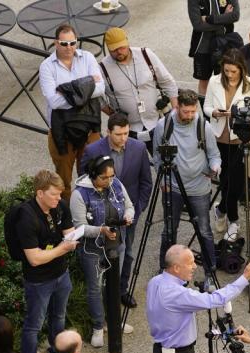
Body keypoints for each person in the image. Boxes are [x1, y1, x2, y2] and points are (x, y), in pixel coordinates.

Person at [81, 112, 153, 308]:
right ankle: (103, 293)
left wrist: (137, 210)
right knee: (100, 253)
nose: (124, 139)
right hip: (101, 215)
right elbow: (84, 184)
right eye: (119, 134)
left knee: (127, 252)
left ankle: (121, 290)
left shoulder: (138, 148)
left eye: (126, 133)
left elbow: (146, 182)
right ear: (108, 132)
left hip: (128, 216)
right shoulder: (92, 150)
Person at [14, 170, 79, 353]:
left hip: (61, 274)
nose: (59, 198)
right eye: (54, 194)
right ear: (40, 193)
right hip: (39, 280)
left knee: (58, 317)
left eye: (60, 194)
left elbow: (70, 234)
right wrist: (62, 248)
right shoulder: (26, 217)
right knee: (34, 325)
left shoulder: (59, 207)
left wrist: (69, 241)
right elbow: (34, 259)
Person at [152, 89, 221, 275]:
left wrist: (215, 168)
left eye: (193, 111)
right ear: (177, 107)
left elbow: (214, 155)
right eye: (186, 112)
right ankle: (165, 272)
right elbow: (157, 156)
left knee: (204, 232)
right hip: (172, 188)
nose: (190, 116)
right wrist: (161, 181)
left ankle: (210, 274)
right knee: (168, 231)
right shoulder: (163, 125)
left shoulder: (203, 126)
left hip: (199, 189)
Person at [69, 154, 135, 347]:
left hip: (117, 245)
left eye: (111, 176)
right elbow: (79, 228)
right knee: (96, 288)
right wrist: (101, 230)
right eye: (104, 178)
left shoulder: (116, 184)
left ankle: (114, 322)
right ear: (93, 176)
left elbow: (129, 206)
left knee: (113, 285)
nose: (109, 181)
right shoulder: (79, 195)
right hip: (93, 251)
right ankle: (99, 326)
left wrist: (128, 216)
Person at [39, 23, 104, 195]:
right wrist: (86, 85)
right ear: (56, 43)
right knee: (63, 181)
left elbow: (100, 89)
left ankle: (91, 212)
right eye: (64, 43)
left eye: (72, 43)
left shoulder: (88, 58)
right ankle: (66, 217)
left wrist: (67, 89)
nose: (69, 47)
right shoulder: (47, 66)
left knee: (92, 175)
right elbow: (54, 101)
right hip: (62, 133)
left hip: (89, 129)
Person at [206, 49, 250, 242]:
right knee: (225, 179)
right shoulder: (214, 81)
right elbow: (205, 106)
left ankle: (227, 215)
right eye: (226, 71)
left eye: (233, 71)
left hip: (239, 137)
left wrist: (239, 114)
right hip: (219, 136)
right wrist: (215, 112)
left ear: (241, 69)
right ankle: (230, 217)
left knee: (235, 182)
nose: (229, 75)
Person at [98, 28, 178, 145]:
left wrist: (174, 112)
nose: (119, 51)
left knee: (165, 159)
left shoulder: (146, 55)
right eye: (114, 49)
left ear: (127, 42)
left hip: (157, 122)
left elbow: (167, 82)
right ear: (108, 48)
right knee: (132, 163)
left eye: (122, 47)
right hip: (126, 131)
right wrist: (112, 113)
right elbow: (97, 97)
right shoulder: (102, 68)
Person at [187, 0, 241, 97]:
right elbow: (198, 25)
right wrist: (224, 18)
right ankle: (205, 111)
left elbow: (235, 16)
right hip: (202, 47)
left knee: (226, 80)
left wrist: (208, 19)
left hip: (224, 45)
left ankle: (224, 110)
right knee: (204, 81)